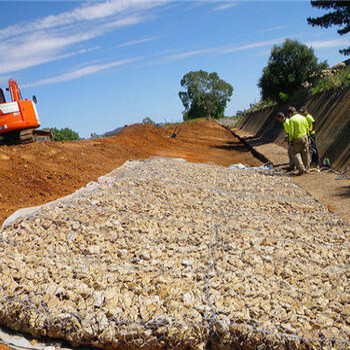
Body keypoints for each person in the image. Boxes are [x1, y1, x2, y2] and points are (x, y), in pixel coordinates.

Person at [287, 106, 310, 175]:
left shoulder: (291, 119)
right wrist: (308, 137)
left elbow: (291, 131)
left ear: (290, 113)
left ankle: (301, 169)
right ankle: (307, 168)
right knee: (305, 152)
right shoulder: (302, 117)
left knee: (297, 153)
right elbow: (307, 127)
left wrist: (290, 140)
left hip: (296, 138)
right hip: (304, 137)